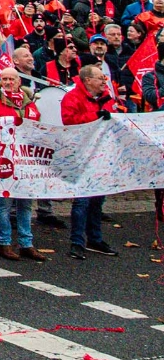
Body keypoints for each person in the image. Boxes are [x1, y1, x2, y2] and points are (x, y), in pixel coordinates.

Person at [0, 67, 45, 261]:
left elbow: (39, 128)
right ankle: (5, 243)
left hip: (26, 159)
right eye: (4, 79)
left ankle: (27, 243)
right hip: (4, 159)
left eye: (11, 79)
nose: (8, 82)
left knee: (25, 203)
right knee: (5, 203)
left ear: (19, 82)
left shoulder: (30, 104)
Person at [61, 63, 120, 259]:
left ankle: (95, 238)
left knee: (98, 200)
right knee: (82, 201)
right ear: (88, 80)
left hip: (102, 155)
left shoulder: (107, 98)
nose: (104, 81)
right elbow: (69, 121)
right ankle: (77, 242)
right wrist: (95, 116)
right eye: (100, 78)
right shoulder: (72, 98)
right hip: (82, 155)